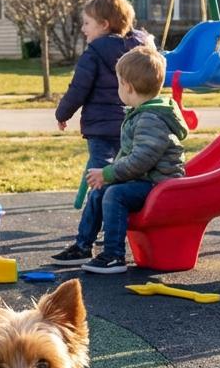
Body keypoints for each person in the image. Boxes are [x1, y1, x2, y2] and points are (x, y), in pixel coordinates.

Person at [57, 44, 188, 274]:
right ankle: (83, 246)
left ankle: (114, 255)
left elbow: (140, 161)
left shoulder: (150, 119)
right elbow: (130, 157)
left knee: (115, 194)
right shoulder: (140, 114)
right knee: (98, 192)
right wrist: (108, 177)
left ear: (128, 86)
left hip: (160, 185)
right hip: (145, 181)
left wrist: (109, 173)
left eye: (118, 83)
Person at [52, 0, 150, 263]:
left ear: (104, 24)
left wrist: (62, 113)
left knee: (98, 182)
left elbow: (78, 89)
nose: (83, 29)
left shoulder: (94, 52)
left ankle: (84, 244)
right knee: (117, 181)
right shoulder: (140, 47)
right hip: (131, 126)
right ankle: (108, 243)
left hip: (101, 130)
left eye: (87, 23)